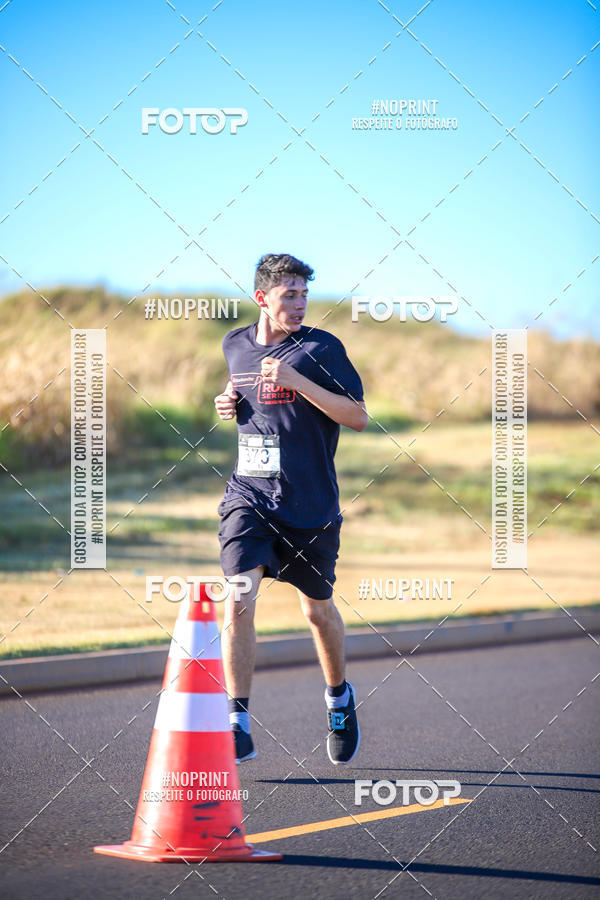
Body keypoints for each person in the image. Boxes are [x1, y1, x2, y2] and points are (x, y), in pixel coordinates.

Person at [213, 253, 367, 765]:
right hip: (249, 495)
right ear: (262, 298)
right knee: (237, 596)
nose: (300, 304)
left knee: (316, 611)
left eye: (304, 294)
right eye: (289, 295)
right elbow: (245, 399)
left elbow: (359, 417)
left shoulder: (322, 348)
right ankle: (236, 721)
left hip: (310, 504)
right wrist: (227, 405)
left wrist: (299, 383)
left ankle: (339, 699)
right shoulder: (234, 345)